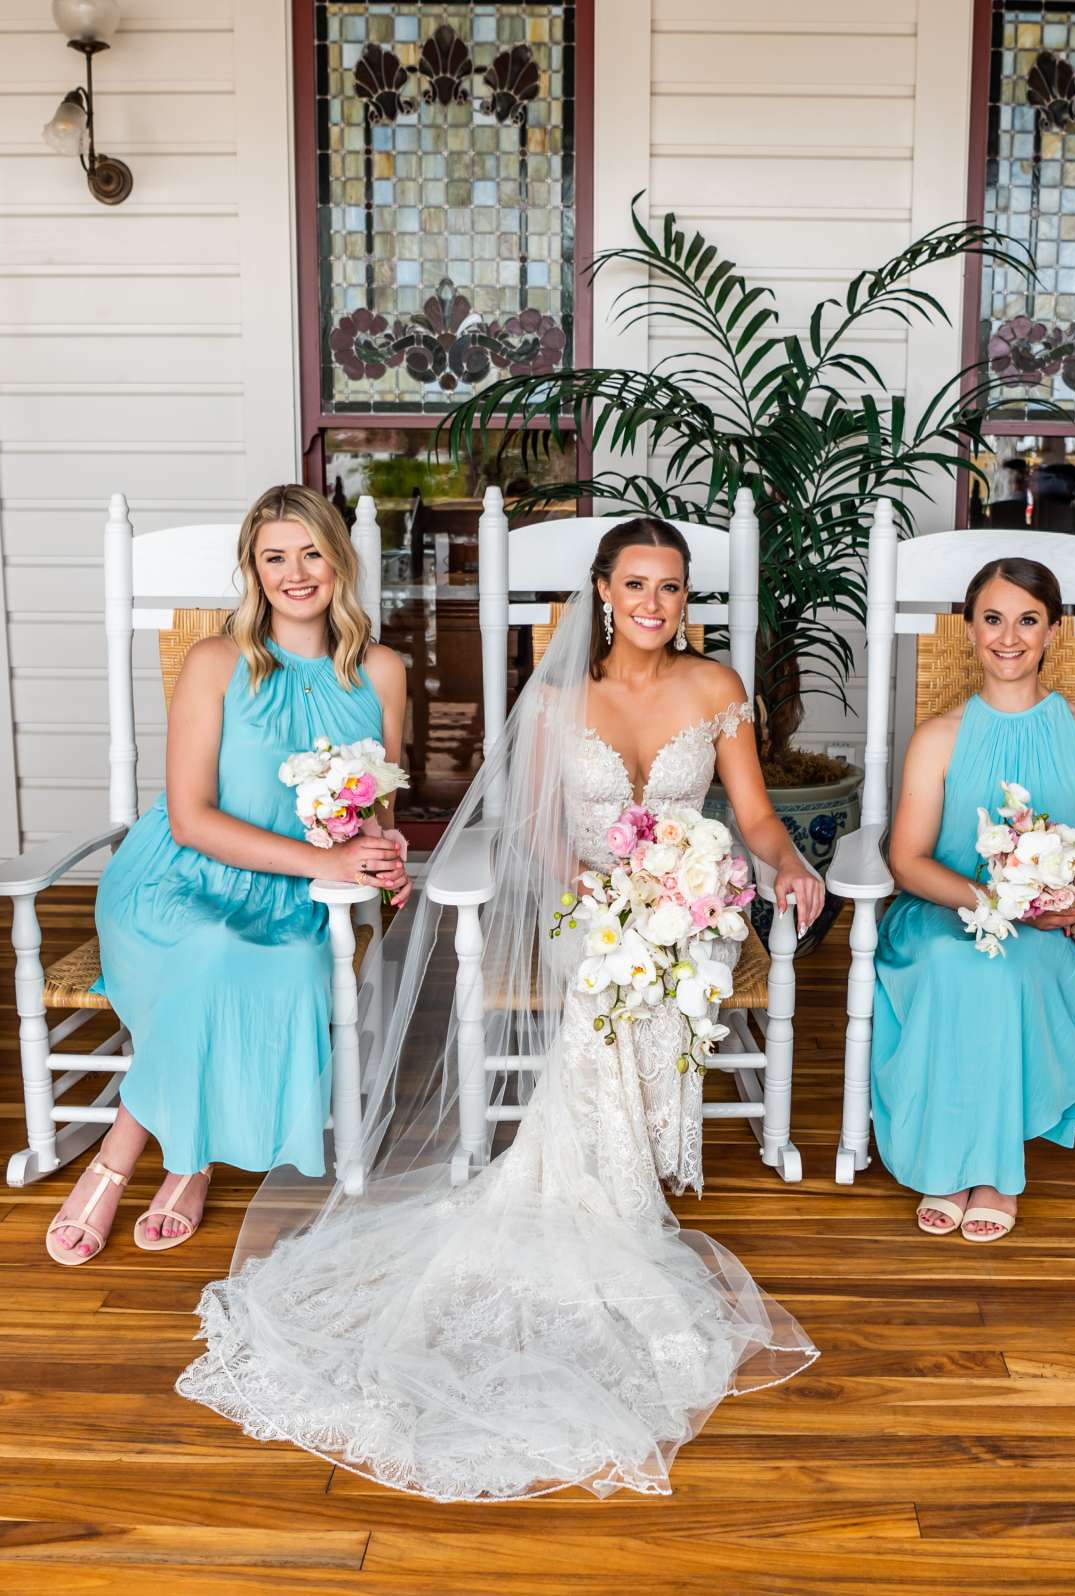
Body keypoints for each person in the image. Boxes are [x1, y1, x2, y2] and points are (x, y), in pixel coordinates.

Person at [175, 517, 828, 1501]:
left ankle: (614, 1185)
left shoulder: (718, 690)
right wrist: (601, 901)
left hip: (692, 899)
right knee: (617, 969)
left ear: (686, 601)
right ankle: (617, 1198)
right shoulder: (559, 698)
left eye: (673, 589)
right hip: (584, 903)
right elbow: (532, 837)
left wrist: (786, 863)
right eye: (637, 585)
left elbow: (759, 817)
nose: (655, 604)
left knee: (660, 965)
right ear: (602, 592)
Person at [43, 485, 411, 1264]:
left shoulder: (381, 670)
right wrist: (330, 857)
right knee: (209, 947)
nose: (296, 572)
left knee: (275, 962)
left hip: (299, 892)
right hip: (178, 878)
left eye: (311, 552)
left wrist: (383, 856)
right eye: (275, 557)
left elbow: (378, 804)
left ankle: (175, 1157)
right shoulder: (217, 661)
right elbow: (191, 819)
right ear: (252, 569)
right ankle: (141, 1157)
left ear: (339, 561)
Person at [866, 557, 1075, 1243]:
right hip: (942, 912)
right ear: (968, 629)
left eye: (1027, 620)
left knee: (1009, 970)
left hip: (1056, 928)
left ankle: (988, 1170)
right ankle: (959, 1162)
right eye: (993, 619)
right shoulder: (939, 738)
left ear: (1055, 630)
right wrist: (996, 901)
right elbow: (907, 861)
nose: (1009, 636)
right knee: (963, 964)